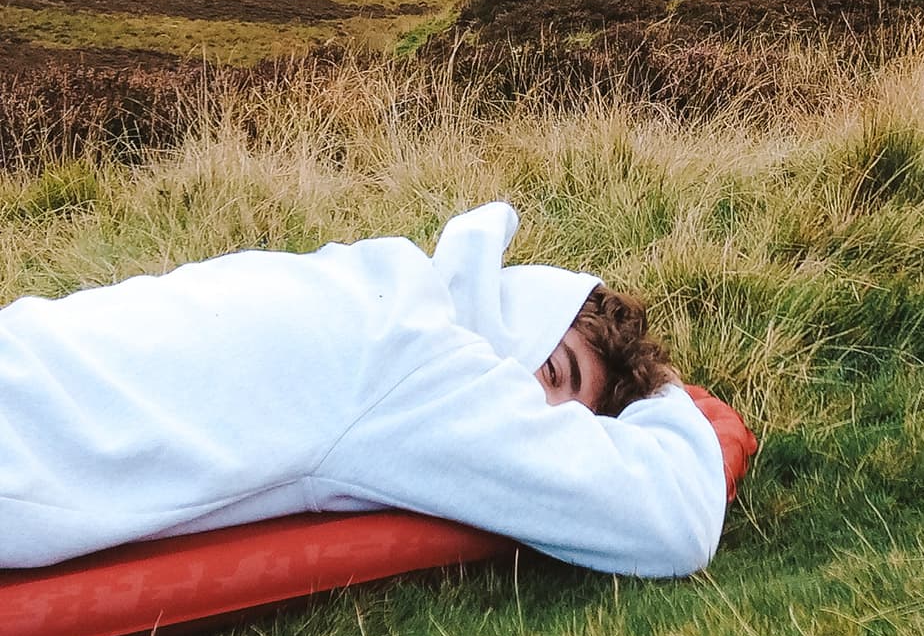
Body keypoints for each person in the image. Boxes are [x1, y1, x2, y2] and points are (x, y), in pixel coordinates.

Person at [0, 202, 727, 578]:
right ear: (522, 321)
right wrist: (663, 391)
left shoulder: (375, 282)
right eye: (553, 374)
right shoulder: (428, 369)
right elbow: (673, 522)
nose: (543, 421)